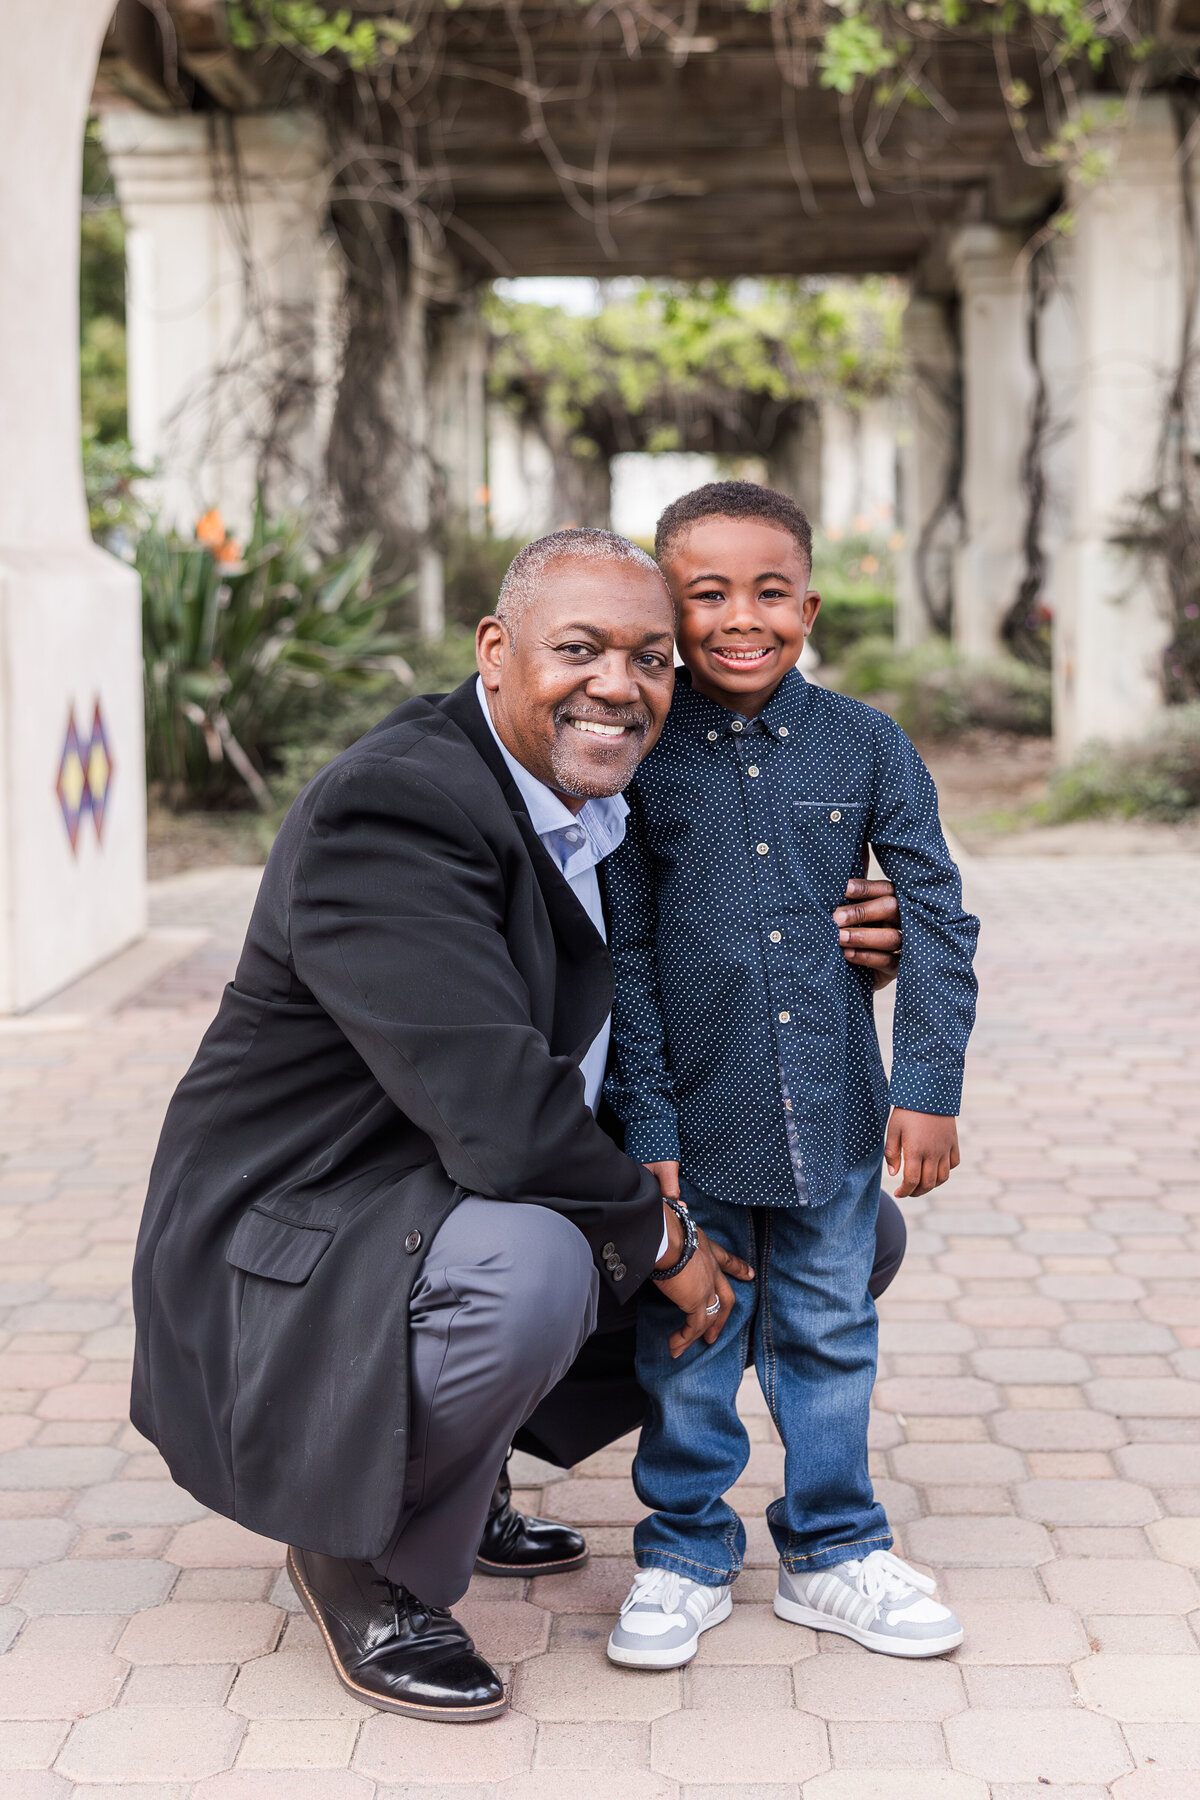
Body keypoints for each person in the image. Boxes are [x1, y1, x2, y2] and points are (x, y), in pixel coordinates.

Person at [130, 527, 907, 1724]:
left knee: (835, 1234)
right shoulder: (394, 806)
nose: (619, 685)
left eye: (652, 659)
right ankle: (362, 1554)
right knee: (543, 1266)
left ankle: (460, 1463)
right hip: (317, 1227)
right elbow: (495, 1110)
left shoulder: (602, 781)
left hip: (459, 1194)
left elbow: (725, 913)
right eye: (579, 649)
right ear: (496, 651)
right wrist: (663, 1242)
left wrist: (860, 926)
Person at [603, 482, 980, 1670]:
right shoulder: (641, 759)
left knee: (828, 1327)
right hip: (693, 1120)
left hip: (830, 1107)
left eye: (769, 591)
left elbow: (932, 914)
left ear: (809, 605)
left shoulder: (867, 743)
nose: (739, 617)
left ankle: (833, 1549)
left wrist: (928, 1082)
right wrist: (647, 1119)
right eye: (705, 593)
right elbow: (626, 957)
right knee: (692, 1337)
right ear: (667, 607)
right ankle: (682, 1551)